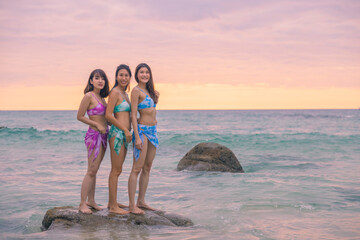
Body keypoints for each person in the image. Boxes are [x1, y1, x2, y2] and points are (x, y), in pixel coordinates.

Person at [77, 69, 110, 214]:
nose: (100, 81)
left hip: (104, 136)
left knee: (95, 170)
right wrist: (96, 124)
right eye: (97, 78)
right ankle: (82, 204)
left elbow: (106, 118)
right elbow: (80, 116)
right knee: (91, 170)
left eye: (102, 78)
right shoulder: (88, 96)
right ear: (91, 81)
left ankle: (92, 201)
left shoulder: (102, 98)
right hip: (94, 136)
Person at [128, 63, 159, 214]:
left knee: (147, 167)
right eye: (142, 72)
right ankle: (132, 205)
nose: (145, 75)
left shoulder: (150, 91)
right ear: (137, 74)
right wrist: (137, 137)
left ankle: (141, 201)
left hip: (153, 132)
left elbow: (151, 110)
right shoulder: (136, 91)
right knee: (137, 168)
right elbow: (133, 114)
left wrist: (156, 99)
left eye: (147, 72)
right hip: (142, 132)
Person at [105, 64, 132, 214]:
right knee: (115, 170)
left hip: (125, 134)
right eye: (121, 75)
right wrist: (125, 129)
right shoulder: (114, 92)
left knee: (119, 169)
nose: (124, 78)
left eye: (126, 75)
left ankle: (112, 202)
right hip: (117, 134)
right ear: (116, 77)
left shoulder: (125, 94)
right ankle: (113, 207)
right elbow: (108, 115)